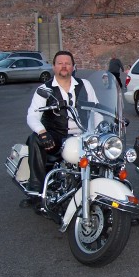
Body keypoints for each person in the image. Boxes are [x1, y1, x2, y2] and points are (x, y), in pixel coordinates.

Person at [23, 50, 97, 202]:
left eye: (68, 63)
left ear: (73, 67)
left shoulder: (85, 85)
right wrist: (42, 132)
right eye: (60, 63)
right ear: (54, 67)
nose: (64, 66)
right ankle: (36, 190)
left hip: (83, 135)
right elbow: (32, 116)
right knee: (34, 139)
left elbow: (96, 110)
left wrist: (98, 130)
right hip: (56, 135)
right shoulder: (44, 90)